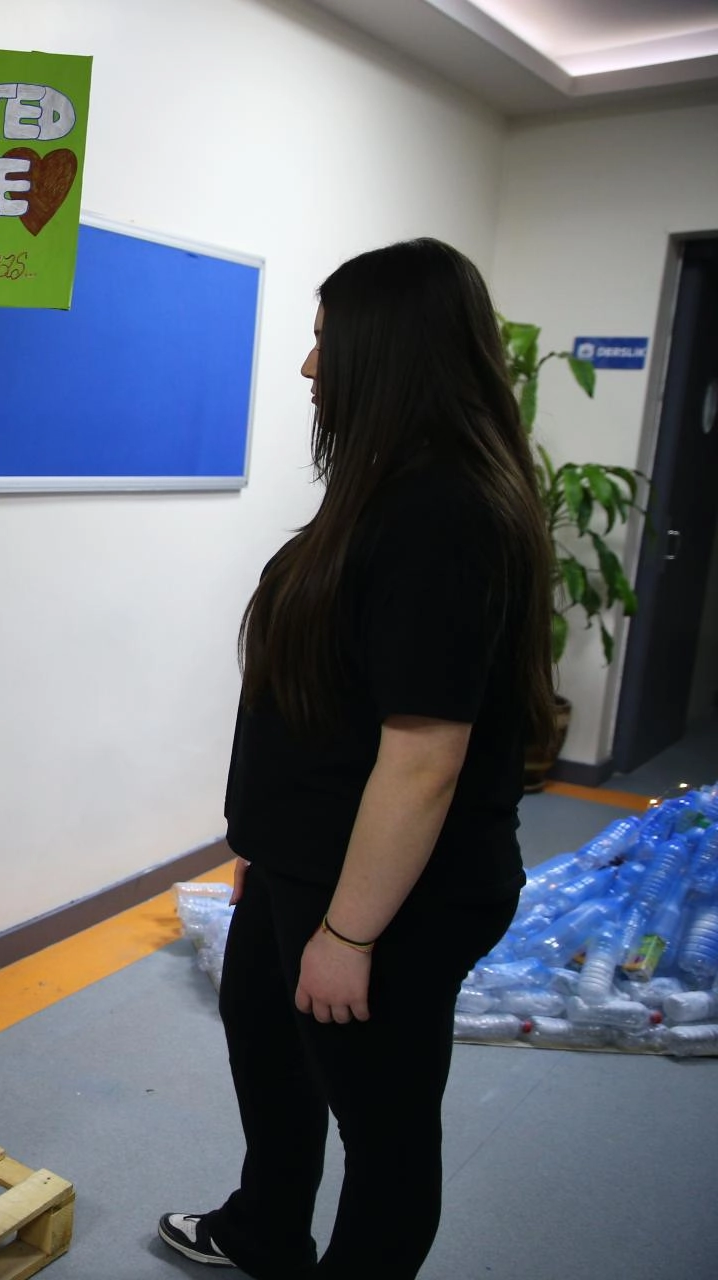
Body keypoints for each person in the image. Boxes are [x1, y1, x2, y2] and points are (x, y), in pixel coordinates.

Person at [159, 239, 555, 1278]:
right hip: (309, 863)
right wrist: (272, 858)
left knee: (382, 1124)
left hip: (387, 895)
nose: (308, 366)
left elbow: (423, 758)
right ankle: (265, 1228)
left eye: (325, 341)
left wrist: (347, 932)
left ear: (389, 353)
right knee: (266, 1039)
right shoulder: (393, 489)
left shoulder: (444, 513)